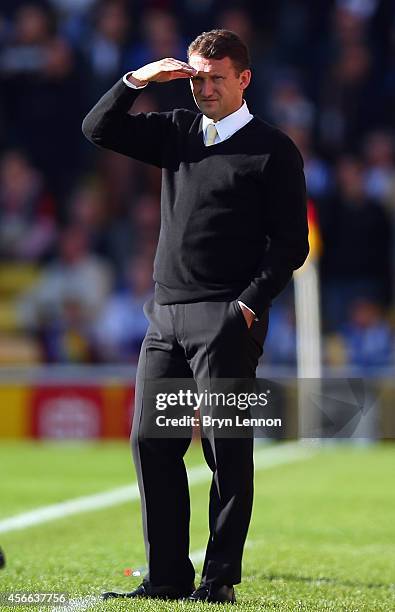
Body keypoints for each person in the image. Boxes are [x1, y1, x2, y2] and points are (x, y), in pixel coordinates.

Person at [82, 29, 309, 604]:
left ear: (243, 79)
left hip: (227, 320)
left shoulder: (273, 148)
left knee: (226, 450)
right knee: (152, 444)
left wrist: (250, 304)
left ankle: (220, 579)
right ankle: (166, 580)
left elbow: (291, 243)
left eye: (216, 78)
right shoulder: (177, 131)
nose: (204, 88)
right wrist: (137, 81)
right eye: (196, 77)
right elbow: (97, 129)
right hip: (165, 316)